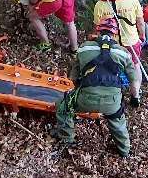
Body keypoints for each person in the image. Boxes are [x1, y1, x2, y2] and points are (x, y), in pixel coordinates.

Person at [53, 18, 138, 158]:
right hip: (112, 102)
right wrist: (135, 98)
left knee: (63, 107)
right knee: (117, 120)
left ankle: (67, 139)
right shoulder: (123, 53)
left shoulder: (85, 48)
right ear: (115, 34)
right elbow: (134, 81)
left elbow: (73, 78)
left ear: (97, 31)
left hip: (86, 99)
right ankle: (124, 150)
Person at [93, 0, 146, 72]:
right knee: (135, 66)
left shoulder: (99, 5)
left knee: (113, 68)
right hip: (131, 41)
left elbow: (97, 27)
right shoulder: (132, 0)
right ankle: (135, 87)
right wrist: (142, 36)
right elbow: (140, 22)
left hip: (112, 44)